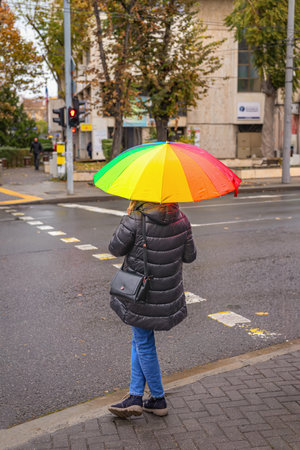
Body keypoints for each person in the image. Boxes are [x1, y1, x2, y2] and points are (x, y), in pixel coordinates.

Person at [108, 200, 197, 418]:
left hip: (141, 293)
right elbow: (190, 256)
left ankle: (157, 399)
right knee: (140, 339)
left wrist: (127, 218)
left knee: (144, 342)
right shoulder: (181, 219)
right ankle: (135, 396)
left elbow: (114, 249)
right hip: (167, 293)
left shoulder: (136, 219)